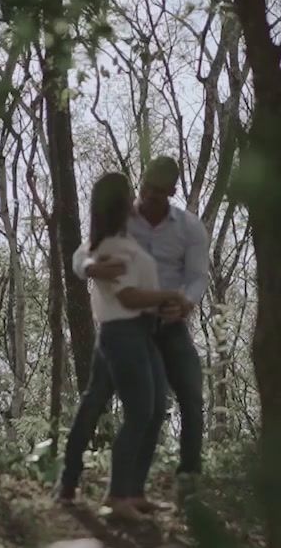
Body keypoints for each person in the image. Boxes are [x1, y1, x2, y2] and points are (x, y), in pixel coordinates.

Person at [57, 156, 210, 508]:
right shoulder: (122, 218)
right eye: (145, 189)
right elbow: (84, 254)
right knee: (99, 399)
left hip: (167, 326)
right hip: (124, 325)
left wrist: (184, 302)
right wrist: (93, 267)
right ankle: (70, 481)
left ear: (172, 191)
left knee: (186, 397)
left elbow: (198, 276)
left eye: (158, 192)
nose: (149, 197)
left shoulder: (189, 228)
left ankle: (180, 485)